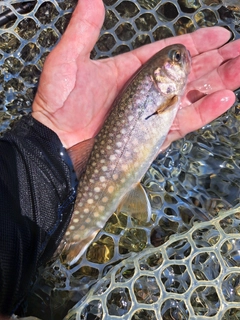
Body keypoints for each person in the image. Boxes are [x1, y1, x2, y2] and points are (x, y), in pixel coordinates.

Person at [0, 0, 240, 318]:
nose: (183, 58)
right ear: (163, 81)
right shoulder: (167, 96)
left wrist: (42, 151)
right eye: (178, 59)